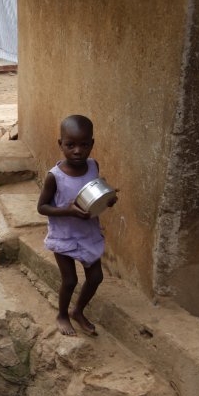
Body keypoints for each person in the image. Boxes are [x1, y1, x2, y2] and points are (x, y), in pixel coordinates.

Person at [37, 115, 118, 336]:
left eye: (84, 145)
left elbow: (95, 194)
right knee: (70, 280)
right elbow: (42, 207)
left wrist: (107, 199)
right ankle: (62, 314)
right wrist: (68, 211)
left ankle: (78, 311)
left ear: (92, 144)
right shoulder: (54, 177)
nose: (77, 151)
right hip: (64, 235)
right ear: (60, 144)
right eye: (70, 145)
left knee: (96, 277)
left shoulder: (93, 166)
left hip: (88, 232)